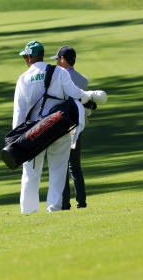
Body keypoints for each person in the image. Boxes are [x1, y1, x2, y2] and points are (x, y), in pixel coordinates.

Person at [13, 40, 93, 214]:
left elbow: (19, 113)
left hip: (34, 133)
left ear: (28, 57)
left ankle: (29, 211)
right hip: (59, 128)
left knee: (31, 173)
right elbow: (76, 93)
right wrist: (91, 95)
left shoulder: (23, 79)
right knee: (58, 170)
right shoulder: (59, 72)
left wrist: (18, 141)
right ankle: (54, 209)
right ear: (41, 55)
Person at [55, 46, 89, 210]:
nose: (56, 62)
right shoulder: (83, 80)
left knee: (62, 165)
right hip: (78, 125)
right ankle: (81, 202)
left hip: (61, 126)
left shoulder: (58, 78)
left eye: (57, 59)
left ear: (63, 59)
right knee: (75, 166)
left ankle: (64, 203)